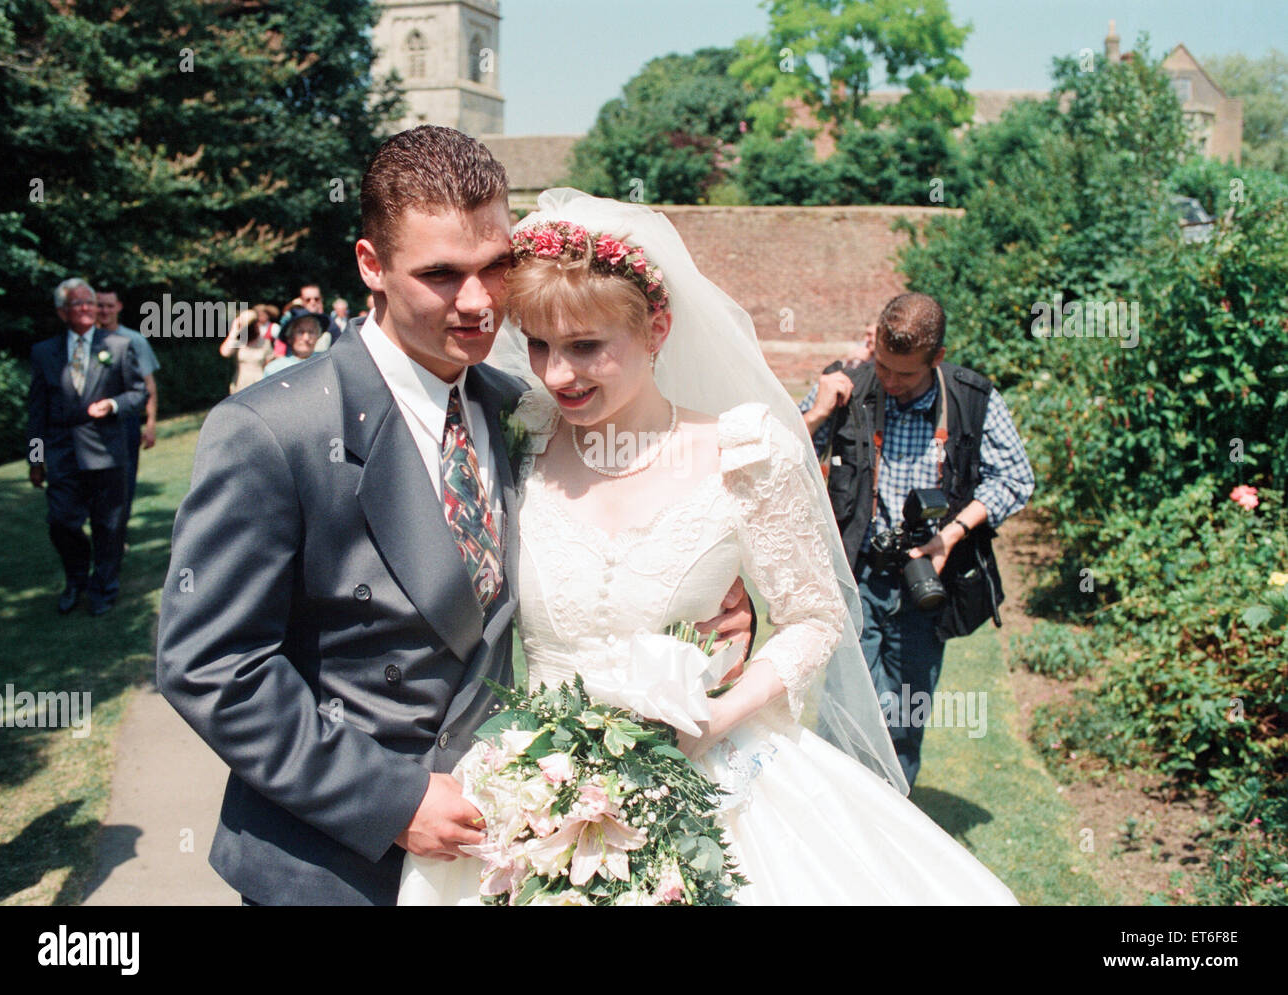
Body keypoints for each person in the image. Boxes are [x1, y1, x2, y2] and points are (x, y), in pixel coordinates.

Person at [155, 127, 749, 906]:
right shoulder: (274, 430)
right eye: (439, 274)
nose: (477, 304)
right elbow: (212, 665)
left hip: (502, 851)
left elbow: (615, 551)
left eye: (495, 266)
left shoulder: (522, 410)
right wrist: (391, 800)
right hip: (332, 866)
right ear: (371, 265)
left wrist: (704, 601)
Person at [398, 189, 1018, 905]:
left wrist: (712, 716)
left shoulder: (745, 455)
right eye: (539, 344)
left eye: (587, 346)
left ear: (657, 326)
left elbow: (815, 620)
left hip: (710, 770)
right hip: (527, 785)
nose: (557, 373)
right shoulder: (520, 437)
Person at [800, 293, 1035, 787]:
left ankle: (890, 829)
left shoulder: (972, 398)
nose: (888, 381)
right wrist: (818, 412)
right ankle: (833, 821)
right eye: (883, 365)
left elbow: (1015, 478)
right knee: (842, 712)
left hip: (927, 578)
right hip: (856, 572)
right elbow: (780, 456)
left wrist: (951, 534)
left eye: (904, 374)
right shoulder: (850, 384)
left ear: (937, 359)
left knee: (904, 718)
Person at [27, 278, 147, 616]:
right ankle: (75, 579)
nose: (86, 309)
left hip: (107, 451)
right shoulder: (44, 352)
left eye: (90, 303)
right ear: (62, 311)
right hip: (62, 453)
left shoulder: (120, 346)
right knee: (61, 522)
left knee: (109, 525)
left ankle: (104, 587)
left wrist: (112, 405)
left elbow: (139, 394)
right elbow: (36, 412)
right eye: (78, 304)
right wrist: (35, 460)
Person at [95, 288, 160, 538]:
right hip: (92, 423)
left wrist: (151, 422)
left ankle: (116, 536)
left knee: (123, 481)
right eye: (100, 305)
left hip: (125, 422)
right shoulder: (87, 341)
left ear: (119, 307)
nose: (104, 310)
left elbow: (148, 385)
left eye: (109, 305)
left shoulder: (134, 340)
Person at [219, 308, 274, 393]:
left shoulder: (265, 343)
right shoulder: (238, 342)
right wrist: (234, 331)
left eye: (253, 324)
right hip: (240, 384)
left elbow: (269, 364)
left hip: (259, 383)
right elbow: (225, 353)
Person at [263, 306, 327, 378]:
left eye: (311, 332)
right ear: (290, 337)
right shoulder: (274, 370)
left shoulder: (326, 364)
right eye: (300, 332)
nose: (306, 338)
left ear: (318, 336)